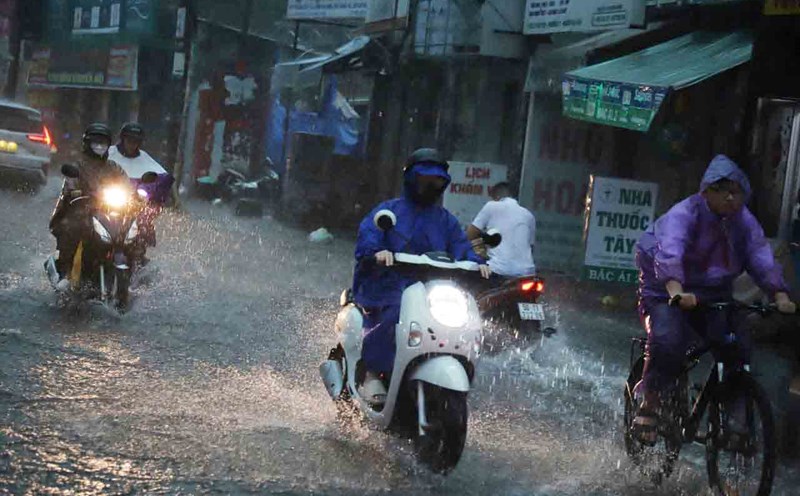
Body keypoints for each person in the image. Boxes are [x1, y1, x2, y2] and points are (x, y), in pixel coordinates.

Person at [633, 154, 796, 448]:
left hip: (713, 292)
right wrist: (676, 292)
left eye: (737, 193)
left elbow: (760, 257)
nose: (731, 199)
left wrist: (780, 295)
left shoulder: (743, 222)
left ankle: (736, 417)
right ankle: (650, 404)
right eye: (724, 192)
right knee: (669, 342)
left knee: (737, 346)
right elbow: (671, 250)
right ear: (706, 191)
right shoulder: (684, 214)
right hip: (666, 289)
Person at [352, 148, 491, 404]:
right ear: (411, 179)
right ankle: (373, 373)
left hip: (432, 289)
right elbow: (369, 237)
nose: (430, 185)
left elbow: (461, 247)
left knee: (464, 319)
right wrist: (378, 252)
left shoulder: (445, 220)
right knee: (395, 313)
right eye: (425, 179)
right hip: (388, 284)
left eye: (436, 181)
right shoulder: (388, 211)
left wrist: (477, 263)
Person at [46, 123, 128, 290]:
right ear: (87, 143)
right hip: (78, 212)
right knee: (73, 228)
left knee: (129, 232)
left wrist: (135, 197)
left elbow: (126, 186)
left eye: (103, 143)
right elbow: (70, 185)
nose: (99, 146)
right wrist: (76, 192)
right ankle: (64, 271)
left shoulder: (114, 168)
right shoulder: (78, 166)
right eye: (96, 142)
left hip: (107, 214)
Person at [466, 181, 536, 277]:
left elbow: (470, 235)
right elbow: (530, 248)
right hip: (527, 272)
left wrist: (482, 246)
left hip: (498, 270)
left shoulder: (491, 206)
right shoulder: (529, 215)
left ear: (496, 196)